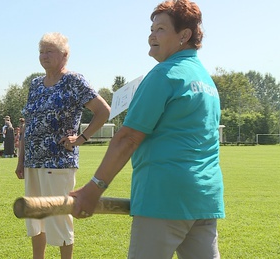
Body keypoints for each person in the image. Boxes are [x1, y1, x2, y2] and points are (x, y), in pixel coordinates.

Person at [69, 1, 225, 258]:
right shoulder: (205, 80)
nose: (152, 35)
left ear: (184, 35)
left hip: (164, 197)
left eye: (161, 29)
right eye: (152, 28)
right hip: (204, 198)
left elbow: (128, 138)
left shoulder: (165, 74)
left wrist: (93, 188)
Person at [15, 32, 110, 259]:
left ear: (64, 55)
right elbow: (28, 123)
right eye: (41, 51)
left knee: (59, 216)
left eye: (50, 51)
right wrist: (21, 160)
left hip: (58, 161)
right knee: (35, 217)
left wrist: (81, 138)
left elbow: (103, 111)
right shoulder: (36, 84)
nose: (44, 56)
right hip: (33, 162)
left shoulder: (74, 81)